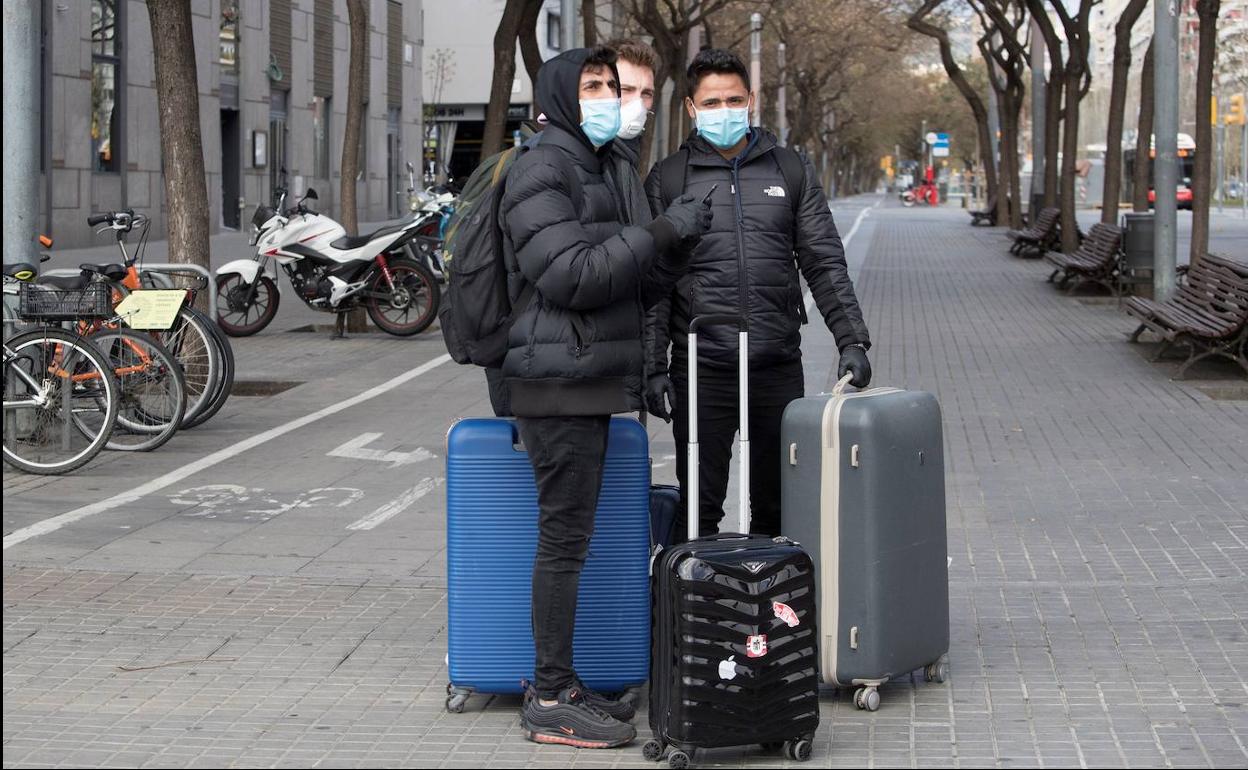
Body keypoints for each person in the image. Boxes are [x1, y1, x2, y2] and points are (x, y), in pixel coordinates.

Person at [500, 46, 712, 748]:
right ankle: (550, 695)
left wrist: (672, 246)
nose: (608, 97)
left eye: (612, 86)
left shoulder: (597, 166)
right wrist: (659, 232)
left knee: (573, 537)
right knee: (563, 539)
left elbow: (627, 281)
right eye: (592, 85)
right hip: (553, 383)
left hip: (582, 377)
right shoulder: (541, 168)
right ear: (561, 95)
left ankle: (561, 683)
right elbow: (574, 275)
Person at [643, 48, 872, 539]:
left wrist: (851, 339)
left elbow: (823, 260)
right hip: (701, 369)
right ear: (691, 108)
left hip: (775, 365)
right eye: (711, 102)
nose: (723, 110)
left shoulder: (790, 169)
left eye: (733, 100)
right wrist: (652, 367)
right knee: (698, 510)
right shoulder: (669, 178)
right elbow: (654, 282)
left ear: (751, 100)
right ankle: (696, 588)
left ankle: (771, 589)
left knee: (777, 506)